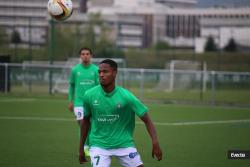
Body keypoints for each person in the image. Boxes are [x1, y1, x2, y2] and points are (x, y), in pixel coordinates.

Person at [79, 59, 162, 167]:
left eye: (105, 71)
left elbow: (147, 120)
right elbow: (85, 121)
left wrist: (155, 142)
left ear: (114, 73)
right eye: (99, 72)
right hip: (99, 145)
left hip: (124, 144)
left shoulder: (127, 97)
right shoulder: (89, 95)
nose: (101, 75)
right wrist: (81, 148)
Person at [68, 47, 99, 155]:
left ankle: (91, 146)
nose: (85, 56)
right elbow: (71, 85)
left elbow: (99, 87)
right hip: (79, 103)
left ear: (91, 56)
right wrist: (70, 100)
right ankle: (84, 147)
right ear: (80, 56)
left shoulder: (96, 70)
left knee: (91, 126)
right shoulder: (75, 70)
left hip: (92, 103)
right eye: (83, 54)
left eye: (87, 54)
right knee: (82, 124)